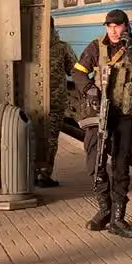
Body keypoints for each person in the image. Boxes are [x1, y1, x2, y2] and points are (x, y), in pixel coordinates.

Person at [72, 9, 132, 239]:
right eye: (109, 26)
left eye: (117, 26)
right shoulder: (95, 47)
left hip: (125, 116)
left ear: (126, 27)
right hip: (100, 115)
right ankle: (105, 209)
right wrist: (89, 88)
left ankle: (118, 218)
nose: (112, 31)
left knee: (121, 165)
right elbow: (78, 72)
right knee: (94, 163)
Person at [39, 19, 77, 188]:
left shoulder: (29, 46)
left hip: (33, 101)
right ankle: (44, 174)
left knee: (32, 136)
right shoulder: (62, 47)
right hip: (55, 101)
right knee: (51, 138)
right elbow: (74, 71)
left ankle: (32, 172)